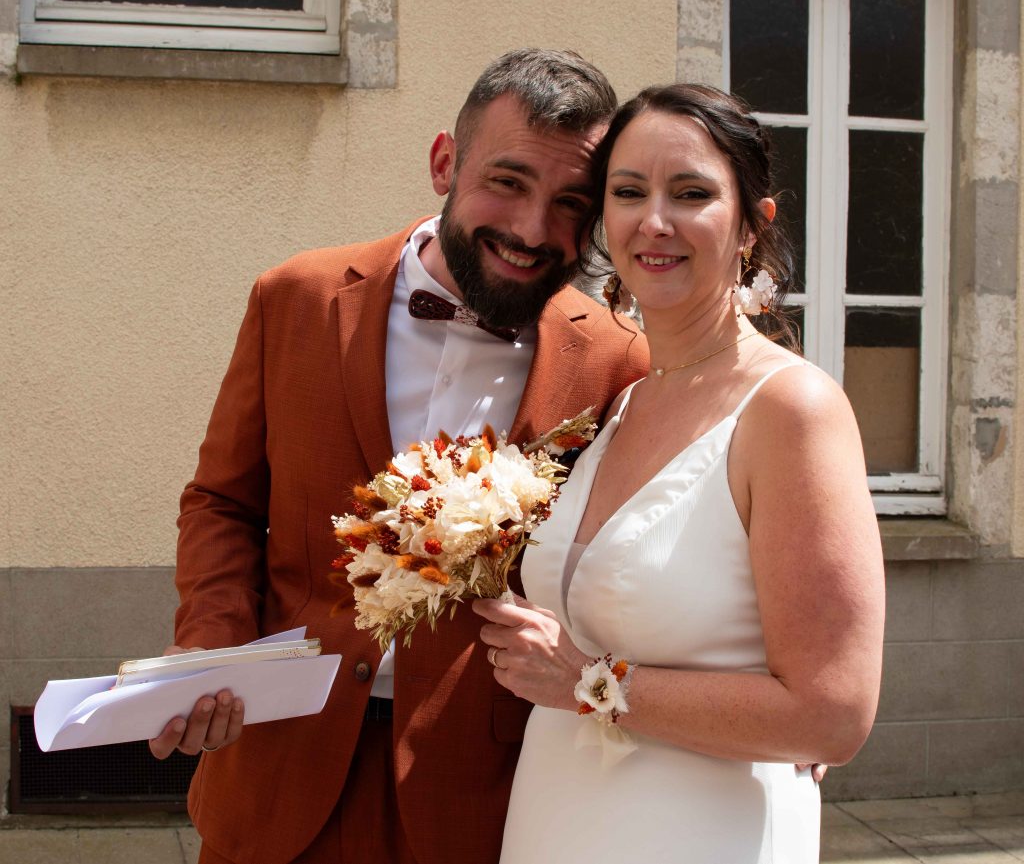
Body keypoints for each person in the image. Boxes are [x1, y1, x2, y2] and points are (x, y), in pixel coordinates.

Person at [149, 50, 649, 864]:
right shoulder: (296, 297)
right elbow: (223, 500)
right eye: (508, 181)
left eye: (570, 204)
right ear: (444, 161)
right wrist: (211, 639)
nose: (532, 231)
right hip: (279, 766)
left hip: (480, 793)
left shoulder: (615, 361)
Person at [474, 83, 885, 863]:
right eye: (628, 193)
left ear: (751, 228)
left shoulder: (792, 409)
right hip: (557, 817)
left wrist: (590, 683)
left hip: (702, 832)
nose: (653, 221)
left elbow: (832, 714)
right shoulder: (623, 403)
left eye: (690, 193)